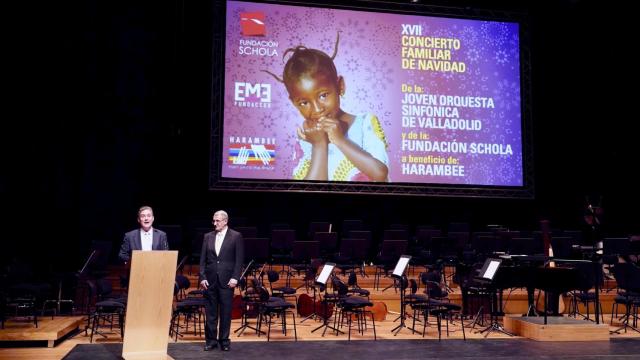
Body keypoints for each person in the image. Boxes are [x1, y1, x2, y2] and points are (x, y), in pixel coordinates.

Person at [265, 32, 389, 181]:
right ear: (294, 103)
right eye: (304, 103)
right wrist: (319, 145)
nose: (317, 109)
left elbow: (380, 174)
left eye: (323, 95)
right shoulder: (306, 139)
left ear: (340, 86)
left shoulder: (365, 123)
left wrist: (340, 140)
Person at [199, 210, 244, 352]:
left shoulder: (236, 236)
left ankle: (224, 340)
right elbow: (202, 260)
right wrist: (202, 277)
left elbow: (239, 259)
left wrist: (235, 277)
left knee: (225, 312)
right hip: (210, 280)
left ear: (225, 221)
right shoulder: (208, 236)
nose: (215, 223)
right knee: (211, 313)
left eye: (217, 221)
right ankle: (211, 341)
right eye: (214, 220)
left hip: (227, 280)